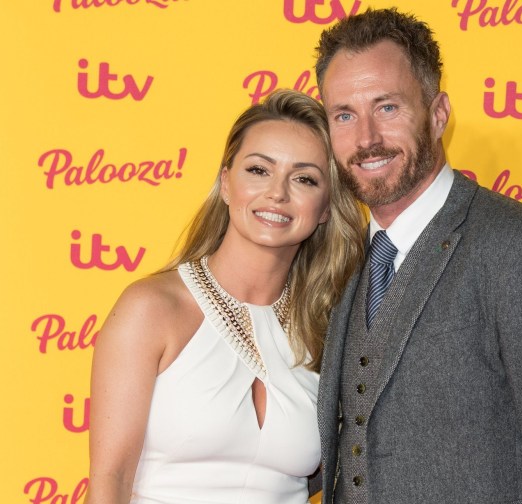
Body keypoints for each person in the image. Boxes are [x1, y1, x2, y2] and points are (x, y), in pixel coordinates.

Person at [314, 8, 522, 504]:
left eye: (387, 107)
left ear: (438, 114)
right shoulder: (342, 262)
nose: (366, 137)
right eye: (344, 114)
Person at [84, 89, 366, 504]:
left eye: (304, 178)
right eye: (258, 170)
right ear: (226, 183)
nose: (278, 193)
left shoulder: (330, 329)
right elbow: (110, 481)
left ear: (326, 207)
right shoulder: (153, 309)